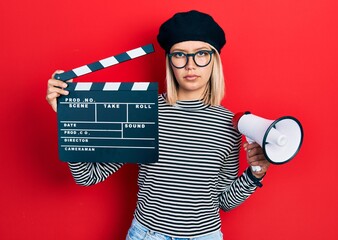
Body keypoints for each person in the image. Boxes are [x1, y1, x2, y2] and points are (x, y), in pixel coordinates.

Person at [46, 10, 270, 240]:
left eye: (201, 53)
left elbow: (224, 201)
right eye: (180, 54)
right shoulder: (143, 111)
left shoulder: (230, 125)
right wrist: (68, 117)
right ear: (169, 60)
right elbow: (88, 176)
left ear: (214, 60)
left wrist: (256, 173)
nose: (190, 65)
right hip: (147, 235)